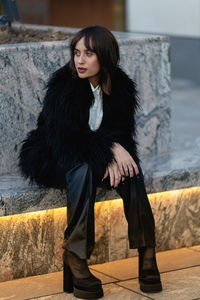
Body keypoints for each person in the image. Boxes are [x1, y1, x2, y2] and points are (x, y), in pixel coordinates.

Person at [19, 25, 162, 299]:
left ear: (105, 57)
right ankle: (75, 255)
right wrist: (108, 150)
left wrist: (115, 150)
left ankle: (147, 253)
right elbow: (66, 140)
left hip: (89, 153)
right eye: (76, 53)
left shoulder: (120, 88)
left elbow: (121, 135)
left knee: (131, 170)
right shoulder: (64, 86)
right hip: (53, 155)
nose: (80, 60)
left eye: (88, 53)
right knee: (82, 169)